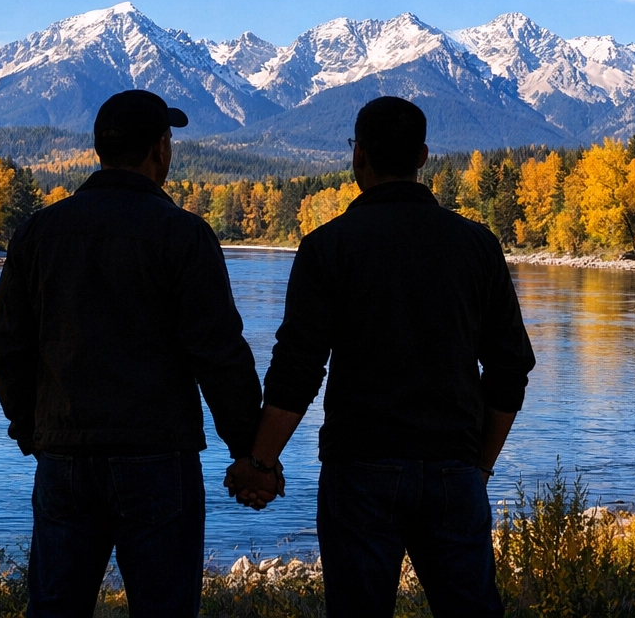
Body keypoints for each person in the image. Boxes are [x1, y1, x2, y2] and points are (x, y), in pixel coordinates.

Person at [227, 96, 536, 618]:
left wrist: (261, 461)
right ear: (423, 157)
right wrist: (478, 469)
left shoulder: (327, 247)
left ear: (358, 156)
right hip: (453, 469)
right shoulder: (477, 245)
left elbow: (297, 370)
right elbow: (511, 369)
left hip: (359, 472)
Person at [0, 89, 264, 618]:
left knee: (54, 609)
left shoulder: (39, 232)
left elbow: (8, 346)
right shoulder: (183, 234)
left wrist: (31, 427)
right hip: (159, 459)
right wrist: (249, 453)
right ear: (161, 149)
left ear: (99, 149)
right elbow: (220, 356)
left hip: (64, 457)